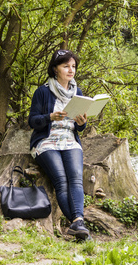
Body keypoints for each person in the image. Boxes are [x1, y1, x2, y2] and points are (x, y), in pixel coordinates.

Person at [28, 49, 90, 240]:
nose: (71, 70)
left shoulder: (76, 92)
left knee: (76, 179)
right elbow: (32, 121)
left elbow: (79, 128)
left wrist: (82, 123)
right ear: (55, 69)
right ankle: (77, 223)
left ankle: (77, 222)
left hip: (69, 139)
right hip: (47, 141)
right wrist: (50, 117)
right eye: (66, 66)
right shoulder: (43, 91)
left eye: (73, 66)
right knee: (61, 181)